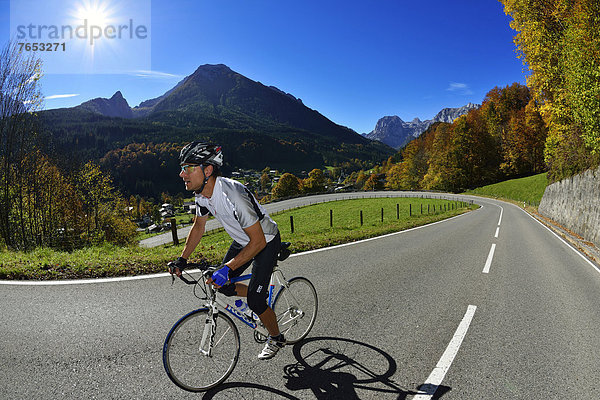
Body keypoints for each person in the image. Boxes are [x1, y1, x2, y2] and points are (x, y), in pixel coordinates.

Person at [168, 141, 285, 360]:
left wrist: (228, 267)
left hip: (265, 241)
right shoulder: (201, 194)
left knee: (256, 301)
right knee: (221, 284)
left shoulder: (233, 194)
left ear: (208, 170)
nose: (182, 174)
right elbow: (199, 226)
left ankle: (276, 337)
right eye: (182, 168)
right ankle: (257, 300)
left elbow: (258, 242)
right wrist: (182, 259)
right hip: (243, 241)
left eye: (188, 167)